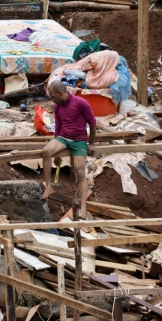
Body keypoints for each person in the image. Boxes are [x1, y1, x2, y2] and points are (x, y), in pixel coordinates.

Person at [40, 81, 96, 219]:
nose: (52, 100)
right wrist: (56, 150)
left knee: (80, 172)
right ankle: (48, 186)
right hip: (63, 138)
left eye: (53, 97)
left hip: (79, 141)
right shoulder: (58, 106)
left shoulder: (80, 103)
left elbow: (92, 123)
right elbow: (58, 128)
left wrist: (92, 143)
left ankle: (83, 208)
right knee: (46, 151)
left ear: (61, 94)